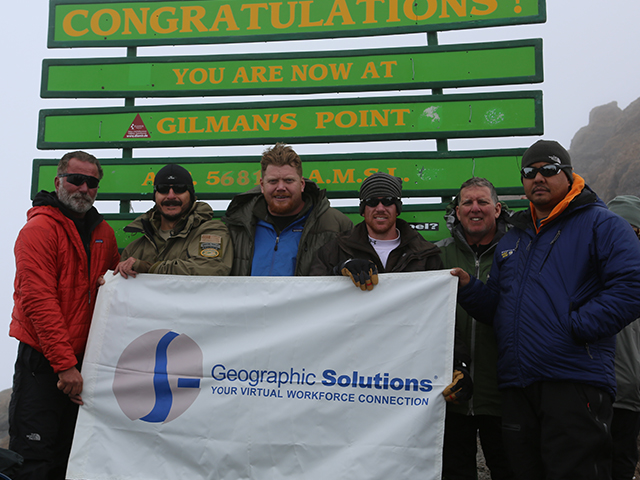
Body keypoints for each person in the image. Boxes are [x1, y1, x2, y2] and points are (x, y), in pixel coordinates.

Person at [451, 140, 640, 479]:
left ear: (567, 174)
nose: (538, 178)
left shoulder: (602, 223)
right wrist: (468, 288)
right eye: (529, 172)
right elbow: (498, 306)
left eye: (548, 169)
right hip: (517, 384)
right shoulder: (515, 238)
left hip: (574, 379)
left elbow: (632, 286)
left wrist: (576, 327)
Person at [310, 172, 473, 404]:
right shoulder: (334, 250)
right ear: (362, 209)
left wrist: (459, 363)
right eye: (371, 202)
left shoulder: (425, 254)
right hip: (349, 370)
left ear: (397, 207)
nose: (380, 207)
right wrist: (339, 270)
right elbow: (308, 296)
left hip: (407, 371)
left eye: (387, 201)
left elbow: (444, 316)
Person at [9, 151, 120, 479]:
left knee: (71, 461)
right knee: (32, 461)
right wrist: (65, 366)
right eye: (76, 179)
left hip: (86, 367)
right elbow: (38, 301)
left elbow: (116, 288)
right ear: (58, 182)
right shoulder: (39, 229)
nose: (84, 188)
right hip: (43, 364)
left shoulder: (105, 233)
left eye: (92, 182)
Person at [436, 178, 514, 480]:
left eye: (482, 202)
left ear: (497, 208)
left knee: (510, 469)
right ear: (457, 210)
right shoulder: (437, 255)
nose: (475, 208)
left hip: (504, 393)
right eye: (467, 203)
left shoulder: (517, 253)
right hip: (452, 394)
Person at [223, 143, 352, 276]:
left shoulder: (336, 225)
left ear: (302, 184)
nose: (280, 187)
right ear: (262, 185)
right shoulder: (237, 225)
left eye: (288, 180)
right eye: (273, 181)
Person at [115, 164, 232, 278]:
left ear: (191, 195)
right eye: (163, 189)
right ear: (155, 196)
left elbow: (210, 269)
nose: (171, 196)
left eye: (179, 189)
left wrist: (148, 268)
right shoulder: (134, 249)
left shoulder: (212, 231)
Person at [606, 195, 640, 480]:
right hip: (596, 390)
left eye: (634, 230)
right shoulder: (590, 269)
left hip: (631, 396)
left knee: (623, 463)